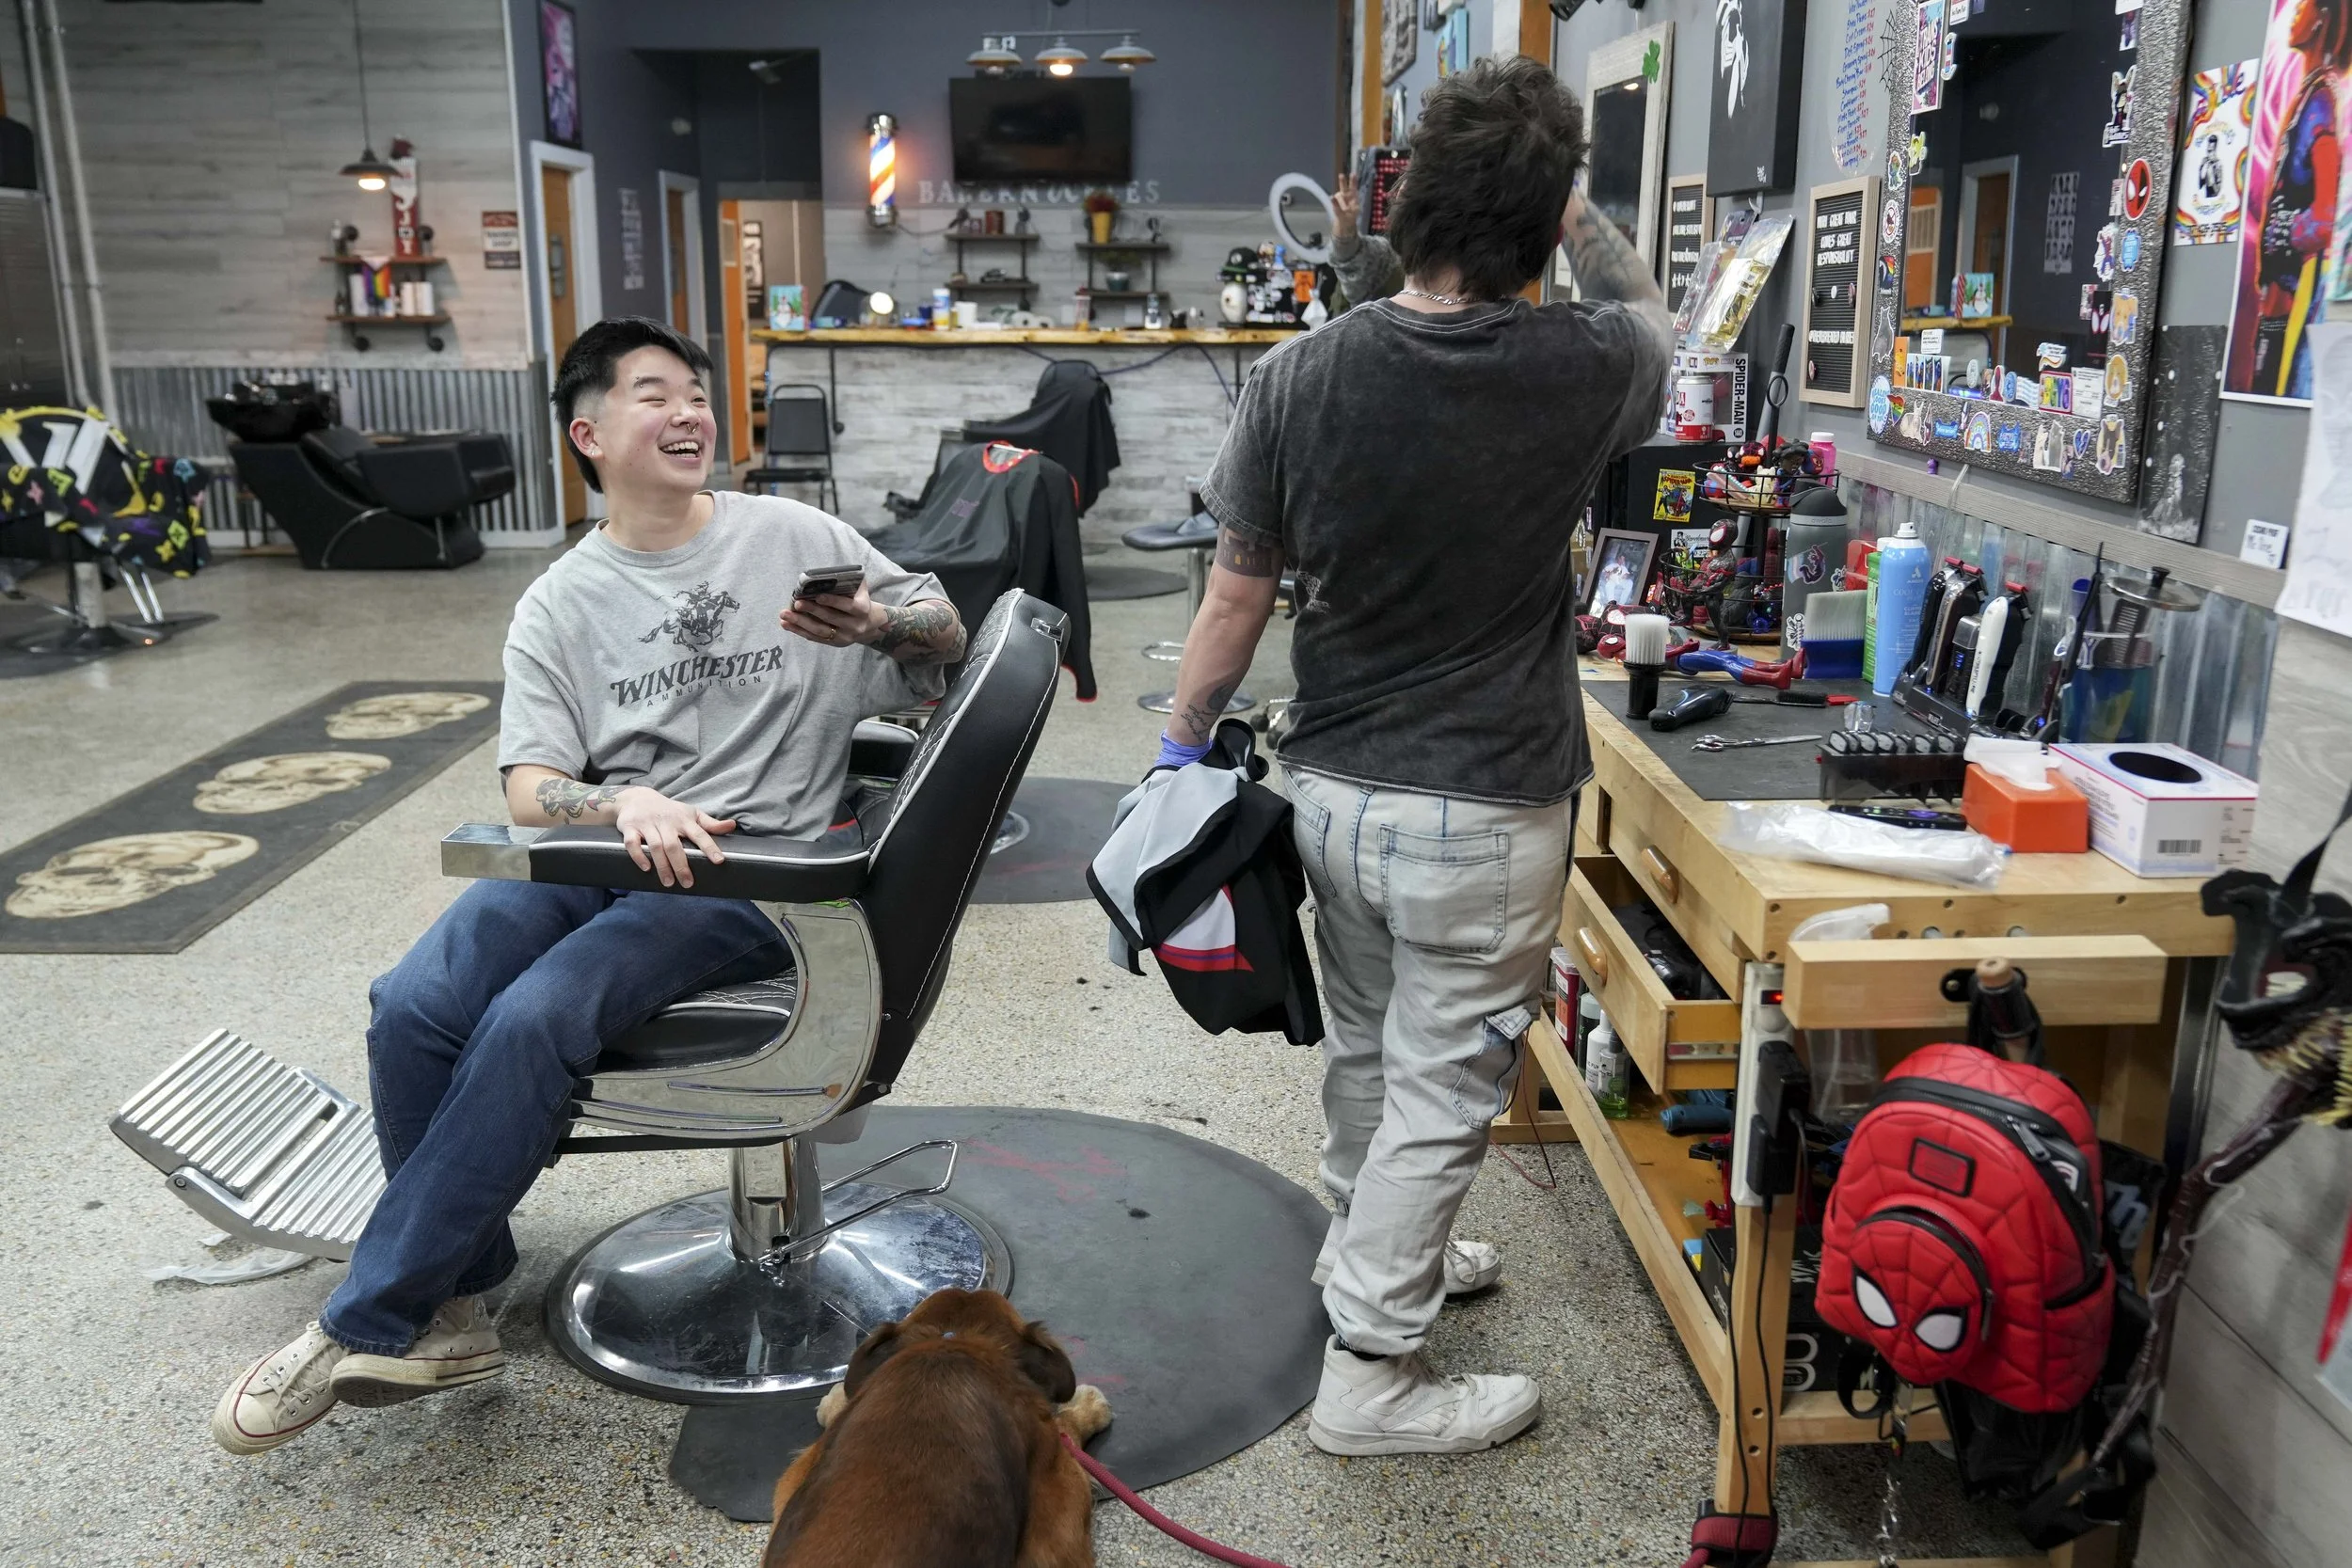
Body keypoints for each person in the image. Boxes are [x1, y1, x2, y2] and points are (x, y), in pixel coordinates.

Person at [213, 317, 964, 1455]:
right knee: (412, 1003)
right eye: (655, 393)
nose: (690, 411)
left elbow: (948, 631)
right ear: (589, 433)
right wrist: (619, 803)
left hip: (750, 872)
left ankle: (366, 1317)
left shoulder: (792, 533)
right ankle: (462, 1299)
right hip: (608, 850)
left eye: (697, 392)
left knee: (534, 1015)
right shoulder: (561, 599)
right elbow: (529, 785)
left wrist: (875, 621)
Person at [1154, 56, 1672, 1456]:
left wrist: (1176, 748)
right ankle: (1372, 1371)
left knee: (1374, 1050)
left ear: (1409, 200)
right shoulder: (1585, 364)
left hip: (1330, 790)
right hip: (1486, 810)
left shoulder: (1298, 372)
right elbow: (1652, 313)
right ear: (1543, 222)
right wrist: (1573, 213)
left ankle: (1370, 1254)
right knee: (1446, 1088)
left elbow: (1235, 596)